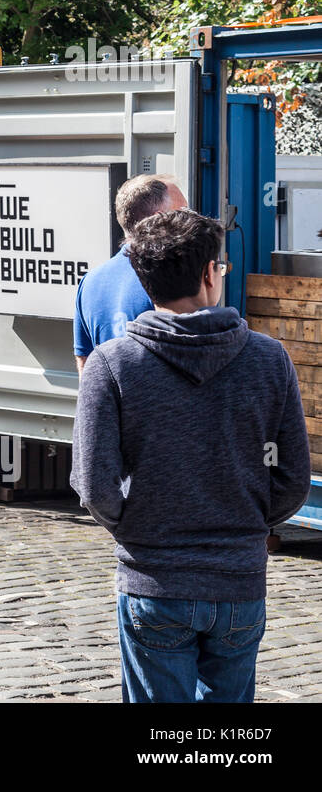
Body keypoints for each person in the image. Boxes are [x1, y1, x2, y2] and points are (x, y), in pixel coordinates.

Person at [71, 208, 310, 704]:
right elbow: (293, 480)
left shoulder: (111, 364)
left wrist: (136, 530)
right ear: (208, 273)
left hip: (154, 581)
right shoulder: (269, 359)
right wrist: (251, 523)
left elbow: (93, 484)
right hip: (239, 583)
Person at [74, 174, 187, 374]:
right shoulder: (171, 277)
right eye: (183, 213)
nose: (190, 221)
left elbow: (86, 365)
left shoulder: (90, 282)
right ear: (159, 220)